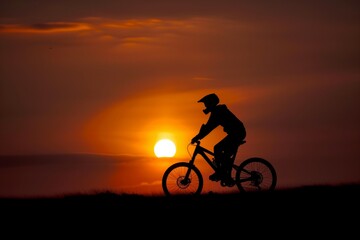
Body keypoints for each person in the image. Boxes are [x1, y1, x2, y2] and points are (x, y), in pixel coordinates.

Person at [191, 93, 246, 185]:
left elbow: (208, 128)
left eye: (206, 103)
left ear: (211, 103)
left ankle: (221, 173)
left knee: (218, 148)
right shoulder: (217, 111)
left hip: (237, 133)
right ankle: (224, 174)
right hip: (236, 133)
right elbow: (208, 127)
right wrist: (198, 136)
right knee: (222, 153)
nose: (205, 106)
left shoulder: (218, 112)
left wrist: (197, 137)